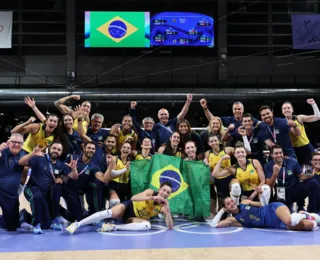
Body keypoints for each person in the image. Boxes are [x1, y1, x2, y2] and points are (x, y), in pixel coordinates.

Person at [66, 182, 174, 234]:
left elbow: (170, 227)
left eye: (168, 193)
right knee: (108, 212)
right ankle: (77, 224)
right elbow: (133, 198)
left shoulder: (163, 206)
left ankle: (114, 227)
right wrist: (153, 197)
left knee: (147, 225)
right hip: (128, 207)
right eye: (163, 190)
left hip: (133, 218)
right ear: (159, 189)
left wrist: (168, 211)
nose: (165, 193)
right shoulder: (151, 192)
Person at [18, 142, 78, 234]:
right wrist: (32, 153)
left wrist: (73, 168)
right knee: (37, 196)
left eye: (59, 150)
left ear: (61, 153)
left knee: (46, 225)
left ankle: (25, 215)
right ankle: (36, 224)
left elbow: (74, 176)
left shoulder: (61, 165)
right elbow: (21, 162)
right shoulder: (39, 158)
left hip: (46, 195)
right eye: (54, 148)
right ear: (49, 149)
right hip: (32, 188)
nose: (56, 151)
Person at [264, 144, 320, 213]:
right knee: (278, 213)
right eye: (276, 153)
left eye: (280, 153)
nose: (279, 155)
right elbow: (269, 186)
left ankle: (312, 211)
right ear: (272, 155)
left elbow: (301, 177)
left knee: (313, 183)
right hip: (280, 192)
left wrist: (309, 175)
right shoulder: (268, 166)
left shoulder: (292, 161)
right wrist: (275, 174)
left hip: (294, 189)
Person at [210, 197, 319, 231]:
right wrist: (221, 211)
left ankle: (304, 214)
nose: (232, 203)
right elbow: (214, 225)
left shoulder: (244, 202)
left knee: (289, 220)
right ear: (226, 208)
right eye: (228, 204)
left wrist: (261, 195)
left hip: (273, 209)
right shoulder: (234, 220)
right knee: (311, 225)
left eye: (232, 201)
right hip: (275, 224)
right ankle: (303, 214)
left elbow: (263, 204)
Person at [282, 99, 320, 165]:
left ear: (292, 110)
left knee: (317, 164)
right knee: (298, 169)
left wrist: (314, 104)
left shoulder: (299, 118)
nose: (286, 109)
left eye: (288, 108)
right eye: (284, 108)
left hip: (306, 146)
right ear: (282, 111)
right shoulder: (282, 122)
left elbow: (317, 117)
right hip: (293, 149)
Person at [0, 133, 26, 231]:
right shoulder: (3, 151)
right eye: (13, 142)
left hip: (10, 194)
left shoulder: (24, 155)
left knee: (12, 226)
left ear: (22, 144)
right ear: (8, 142)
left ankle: (22, 215)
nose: (16, 144)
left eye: (19, 143)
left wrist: (22, 185)